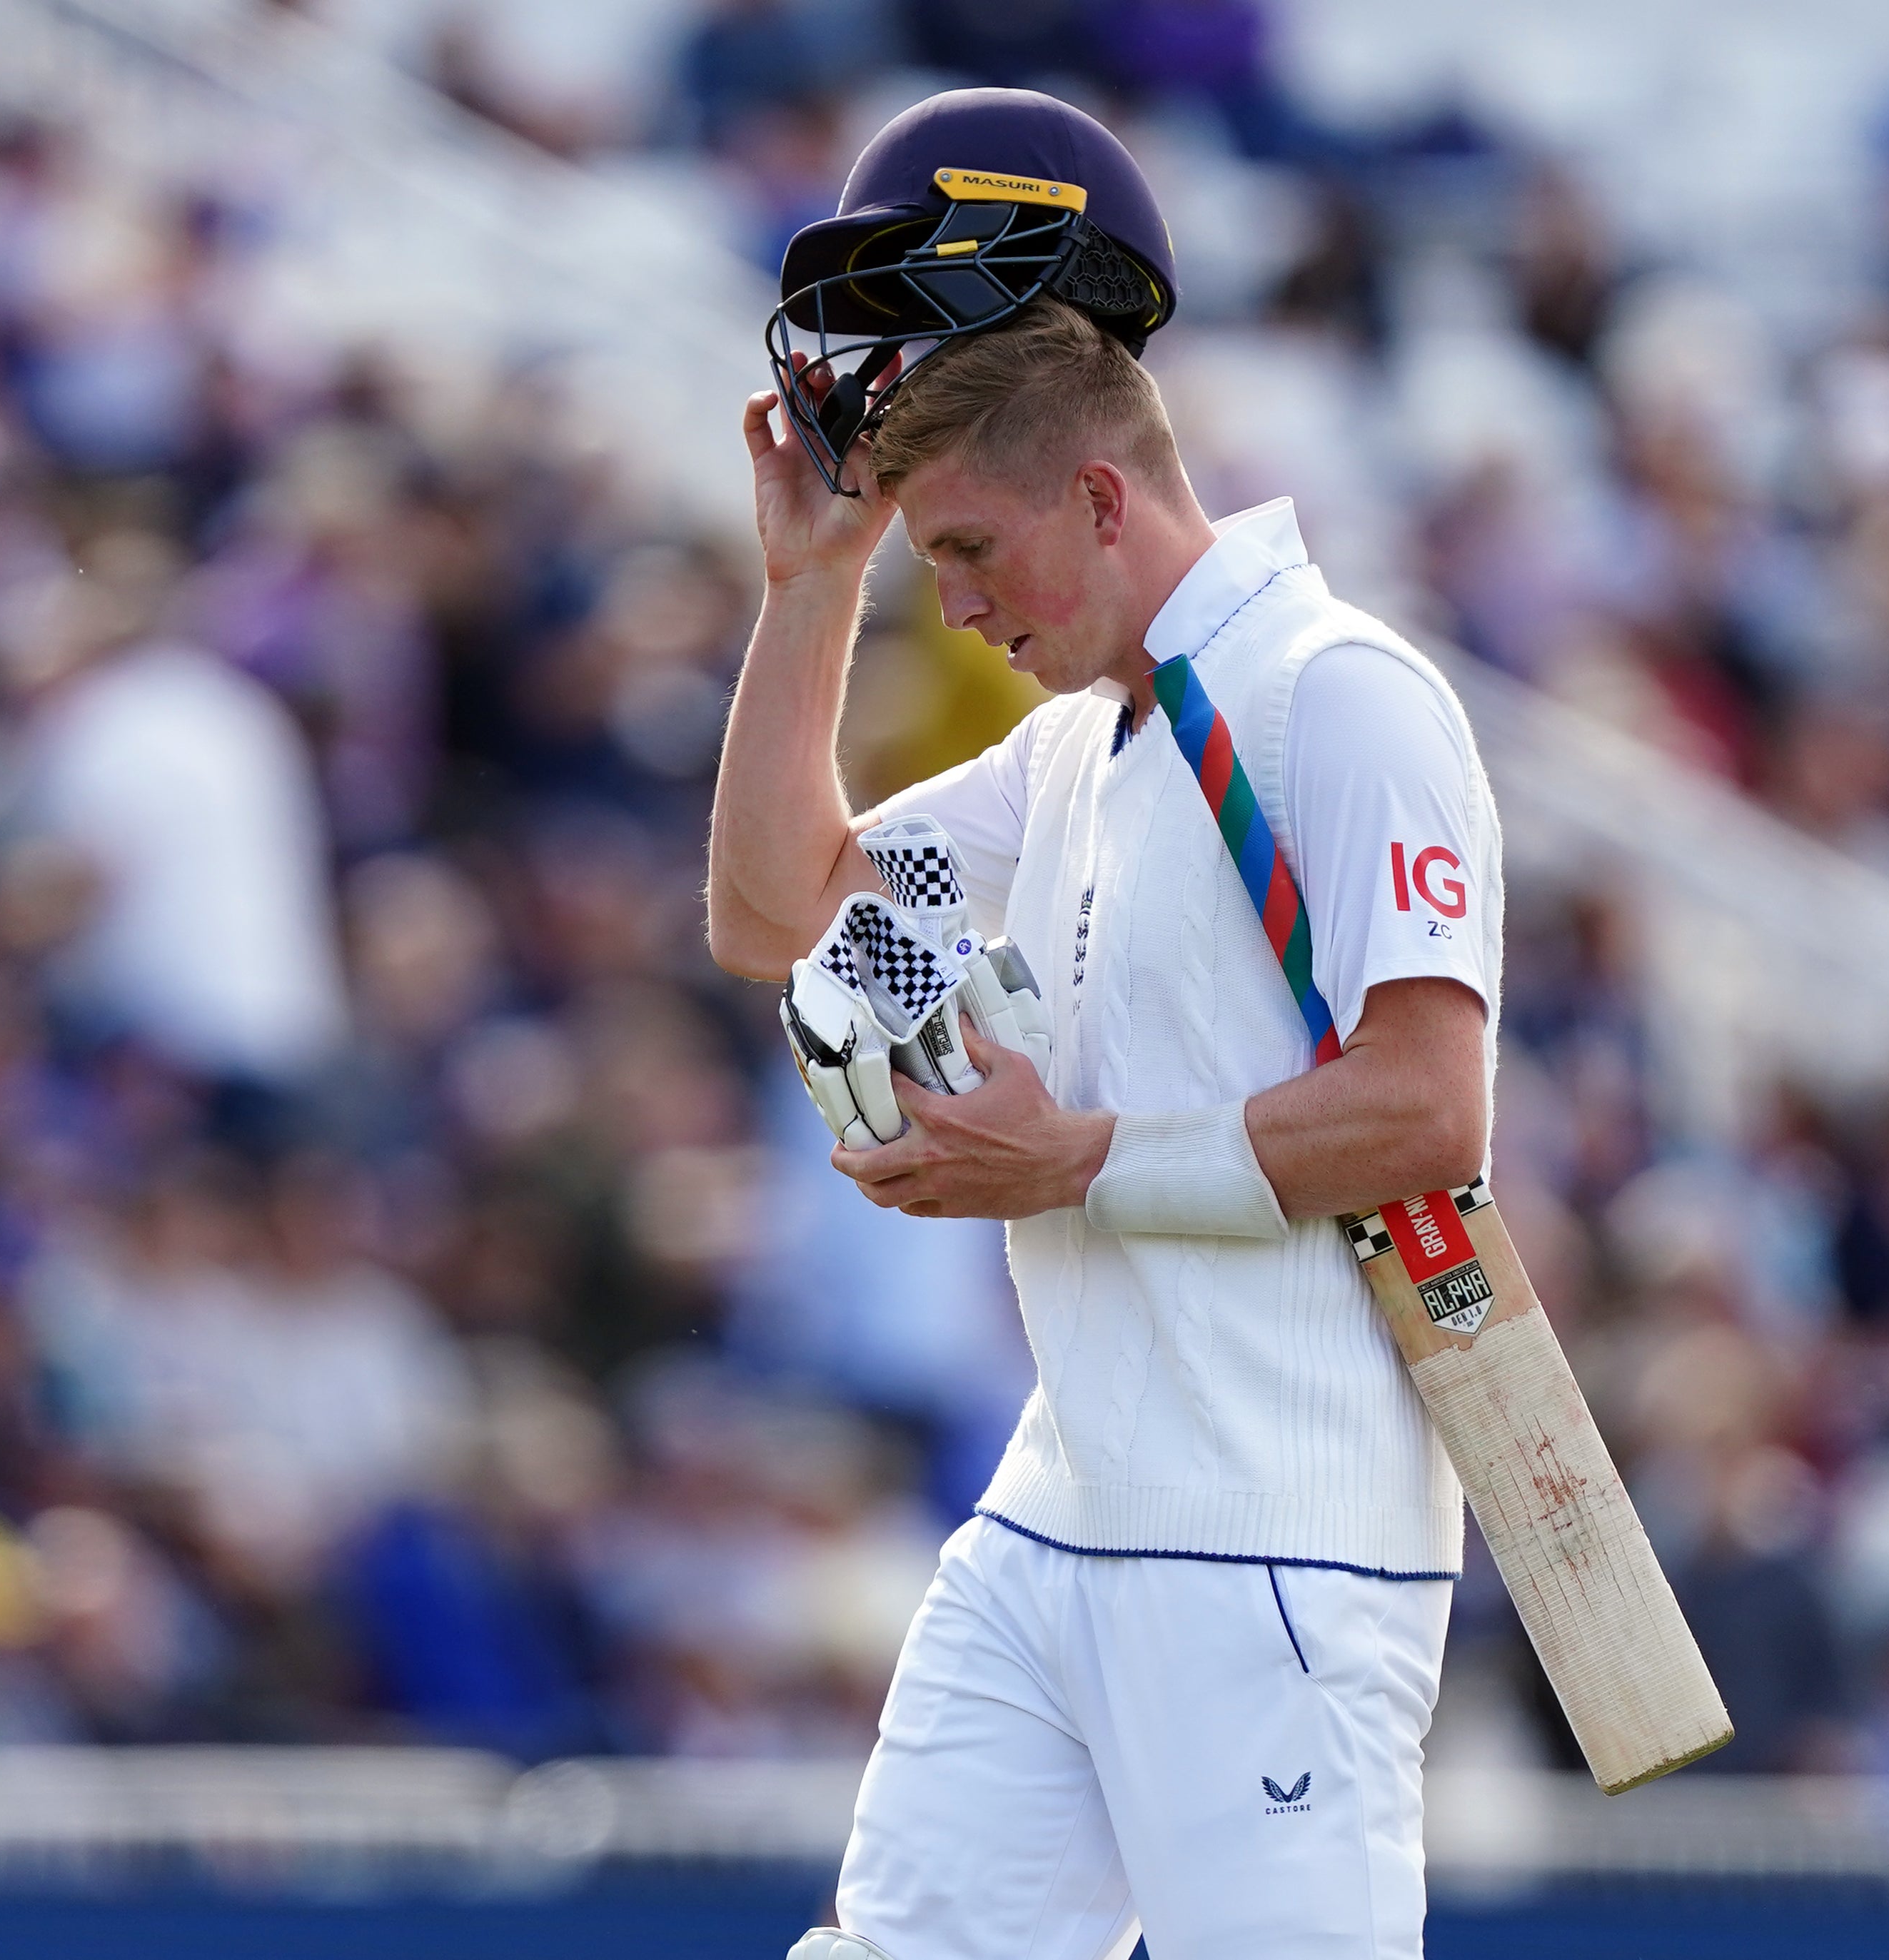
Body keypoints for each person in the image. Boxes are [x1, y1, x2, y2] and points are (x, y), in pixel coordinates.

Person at [710, 89, 1498, 1960]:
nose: (959, 608)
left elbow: (1425, 1113)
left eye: (969, 553)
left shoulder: (1345, 694)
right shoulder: (1076, 749)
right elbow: (770, 913)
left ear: (1099, 494)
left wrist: (1068, 1159)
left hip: (1285, 1552)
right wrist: (813, 583)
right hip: (1057, 1519)